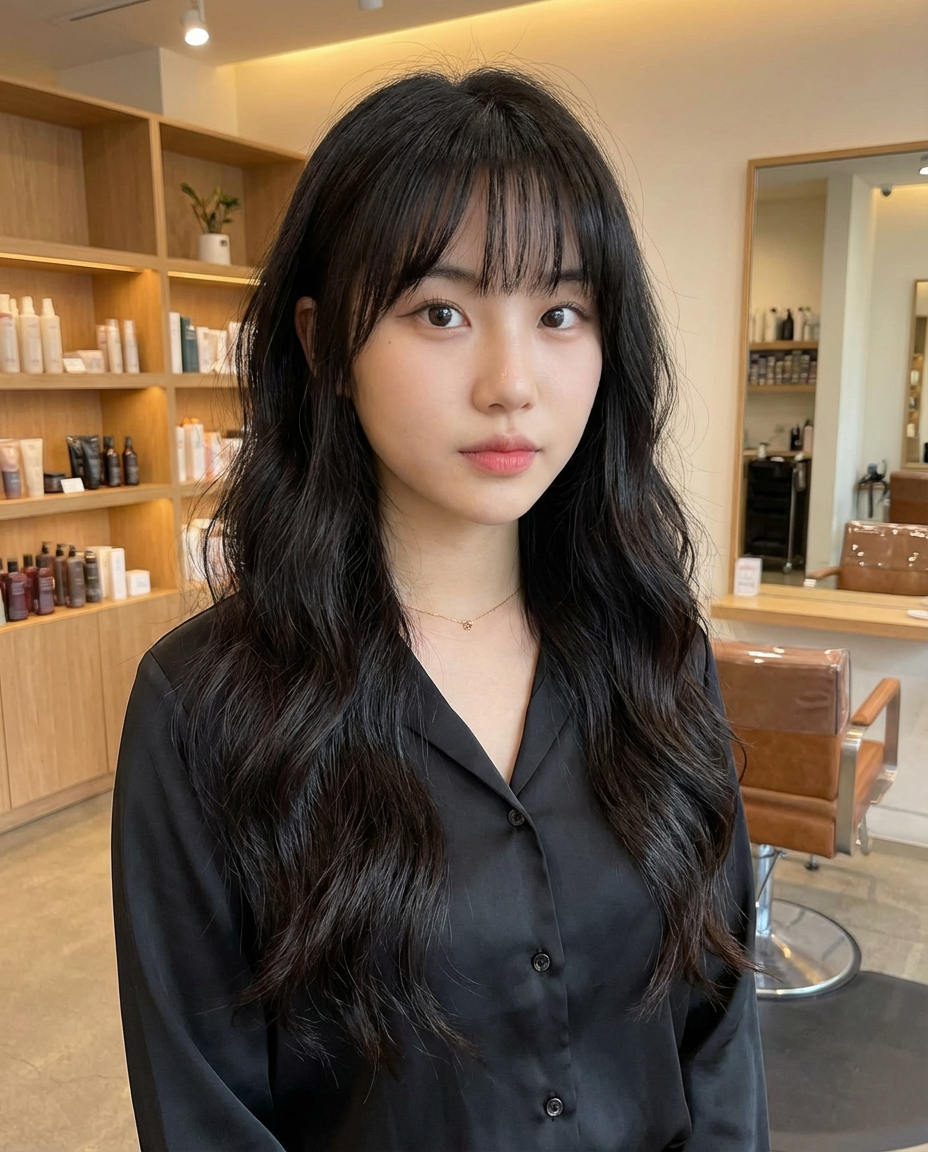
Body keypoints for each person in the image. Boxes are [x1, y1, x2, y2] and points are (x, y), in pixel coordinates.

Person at [112, 67, 769, 1152]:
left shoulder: (656, 652)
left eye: (560, 312)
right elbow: (204, 1117)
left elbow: (720, 1029)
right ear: (323, 346)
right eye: (442, 311)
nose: (512, 382)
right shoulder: (205, 709)